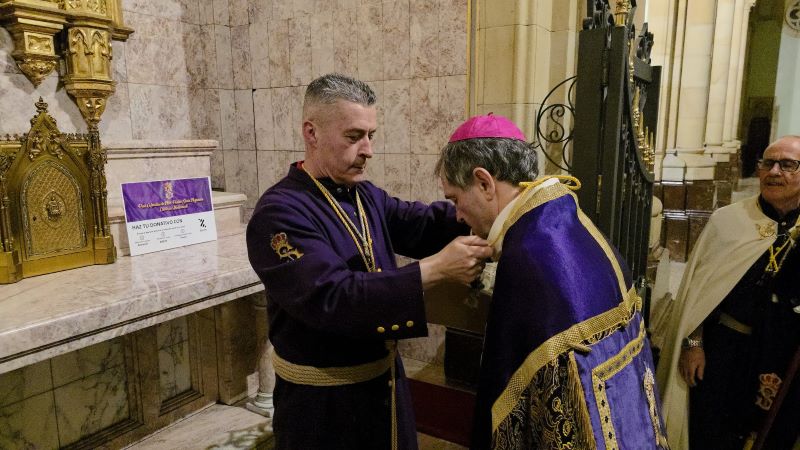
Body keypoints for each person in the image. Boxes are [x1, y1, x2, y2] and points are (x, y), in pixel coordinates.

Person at [246, 73, 492, 450]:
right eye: (353, 136)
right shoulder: (278, 214)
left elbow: (422, 223)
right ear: (311, 133)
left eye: (370, 135)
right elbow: (333, 296)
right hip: (323, 408)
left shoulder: (365, 195)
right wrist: (436, 269)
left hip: (384, 385)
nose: (368, 150)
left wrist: (485, 208)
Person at [435, 114, 669, 449]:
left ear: (484, 183)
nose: (457, 215)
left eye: (455, 199)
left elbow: (507, 392)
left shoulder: (527, 255)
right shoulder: (565, 220)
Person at [657, 135, 800, 450]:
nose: (774, 172)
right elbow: (698, 294)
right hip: (726, 349)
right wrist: (693, 343)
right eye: (767, 163)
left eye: (787, 165)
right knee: (712, 430)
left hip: (782, 358)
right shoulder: (729, 221)